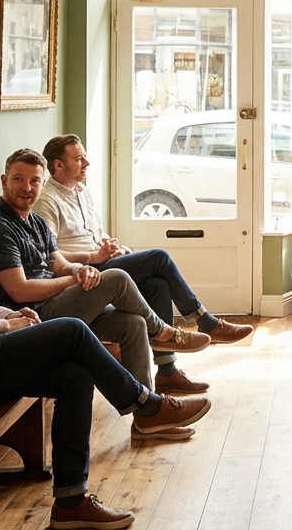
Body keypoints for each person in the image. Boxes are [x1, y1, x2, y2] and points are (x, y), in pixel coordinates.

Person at [0, 141, 209, 530]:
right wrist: (3, 325)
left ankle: (70, 502)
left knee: (75, 376)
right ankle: (147, 405)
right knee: (71, 330)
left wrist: (12, 315)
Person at [0, 148, 213, 442]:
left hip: (54, 304)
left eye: (34, 181)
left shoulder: (34, 221)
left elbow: (58, 264)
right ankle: (162, 332)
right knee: (117, 277)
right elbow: (19, 291)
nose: (27, 188)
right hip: (29, 319)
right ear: (4, 181)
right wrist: (73, 279)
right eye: (19, 179)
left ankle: (147, 419)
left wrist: (80, 269)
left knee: (132, 324)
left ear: (43, 184)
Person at [35, 134, 254, 396]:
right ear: (58, 164)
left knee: (157, 285)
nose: (87, 163)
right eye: (79, 159)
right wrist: (94, 256)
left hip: (104, 261)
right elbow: (51, 256)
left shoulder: (82, 191)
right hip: (86, 275)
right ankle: (204, 321)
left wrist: (114, 246)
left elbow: (97, 234)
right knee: (158, 257)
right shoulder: (46, 201)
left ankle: (167, 372)